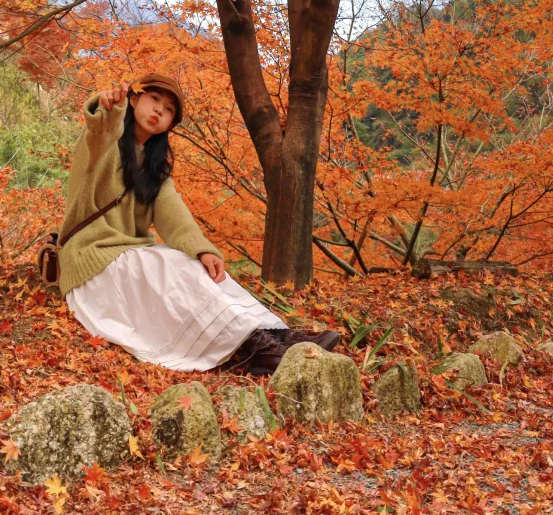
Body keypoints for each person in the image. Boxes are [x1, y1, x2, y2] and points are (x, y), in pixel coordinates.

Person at [56, 72, 340, 375]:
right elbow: (99, 134)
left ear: (170, 124)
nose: (158, 111)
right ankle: (253, 349)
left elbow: (174, 218)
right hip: (89, 258)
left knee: (194, 265)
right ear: (135, 98)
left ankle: (275, 335)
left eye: (168, 110)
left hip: (126, 256)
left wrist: (203, 250)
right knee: (167, 265)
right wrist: (109, 108)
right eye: (154, 100)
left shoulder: (155, 170)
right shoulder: (103, 145)